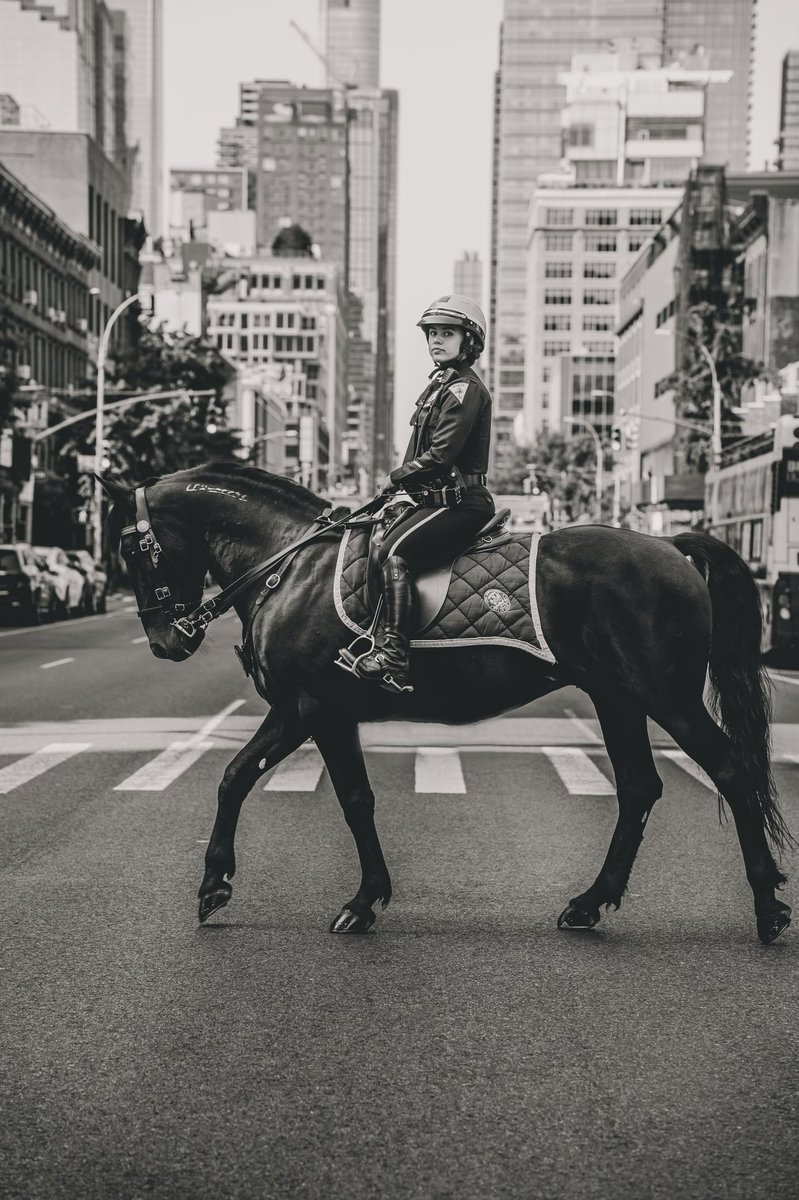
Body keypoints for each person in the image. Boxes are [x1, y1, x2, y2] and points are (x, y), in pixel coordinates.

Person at [351, 293, 494, 693]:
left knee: (396, 552)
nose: (436, 340)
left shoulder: (464, 389)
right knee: (375, 541)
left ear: (469, 341)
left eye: (447, 333)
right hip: (433, 500)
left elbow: (441, 455)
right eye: (432, 333)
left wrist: (395, 479)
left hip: (461, 503)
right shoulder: (440, 386)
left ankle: (394, 656)